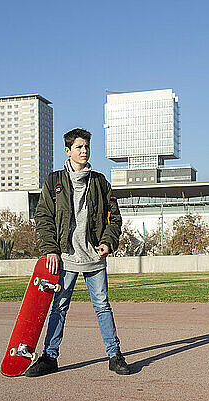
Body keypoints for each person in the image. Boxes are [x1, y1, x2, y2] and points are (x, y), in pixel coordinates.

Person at [24, 128, 130, 377]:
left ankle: (114, 355)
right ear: (68, 150)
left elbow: (114, 218)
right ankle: (50, 357)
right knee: (58, 307)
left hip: (94, 257)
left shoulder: (101, 182)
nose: (84, 151)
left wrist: (107, 242)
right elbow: (43, 217)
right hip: (65, 258)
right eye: (79, 147)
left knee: (102, 306)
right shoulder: (54, 181)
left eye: (87, 147)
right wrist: (50, 249)